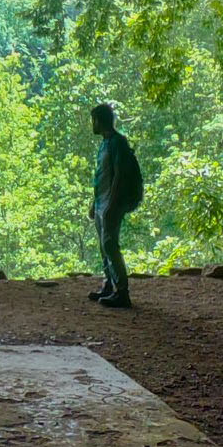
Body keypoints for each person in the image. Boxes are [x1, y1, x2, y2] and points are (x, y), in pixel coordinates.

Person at [87, 102, 142, 308]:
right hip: (102, 203)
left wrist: (112, 203)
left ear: (100, 121)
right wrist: (94, 203)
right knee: (104, 246)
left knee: (110, 245)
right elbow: (101, 176)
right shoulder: (105, 143)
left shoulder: (118, 142)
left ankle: (122, 292)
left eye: (94, 120)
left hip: (112, 203)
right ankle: (109, 285)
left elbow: (119, 174)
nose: (92, 124)